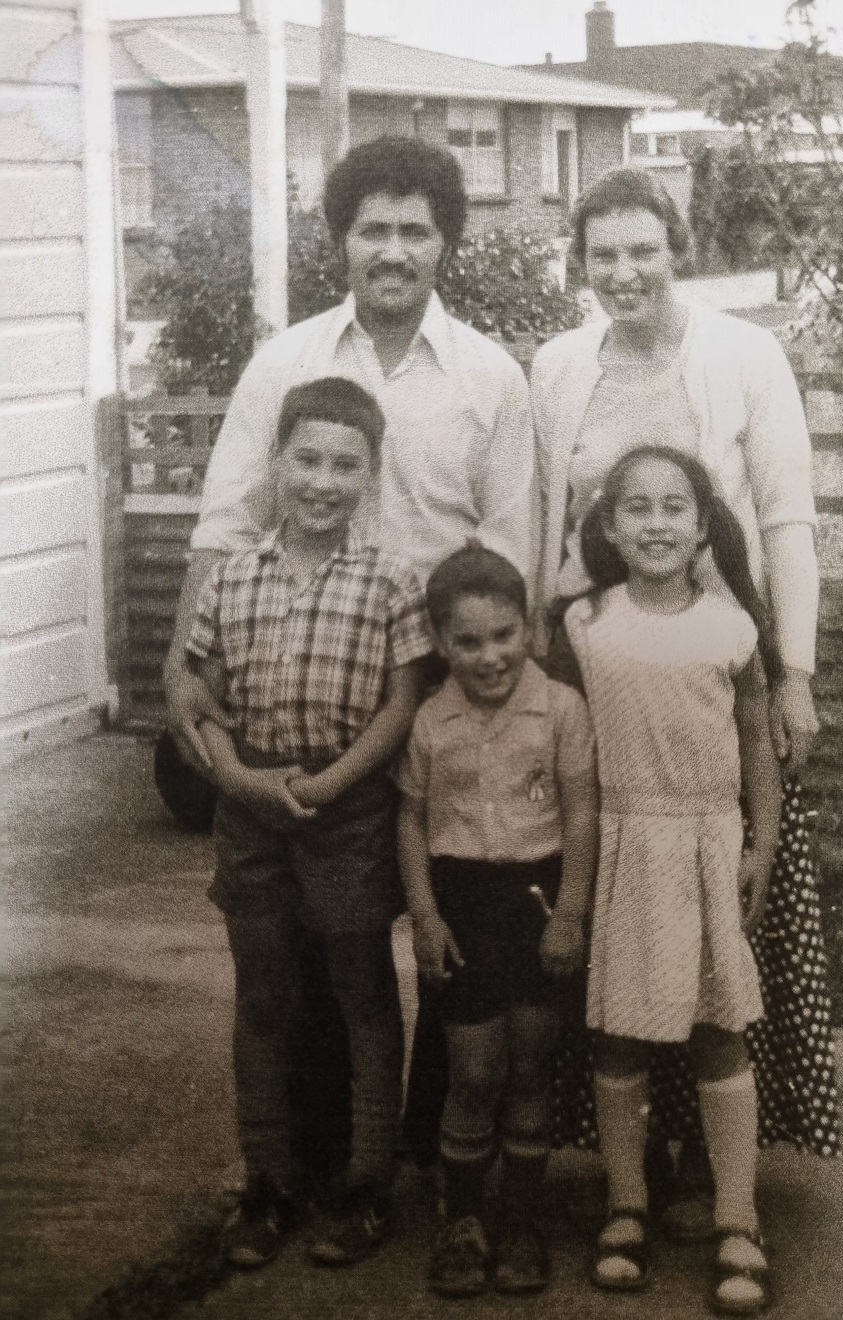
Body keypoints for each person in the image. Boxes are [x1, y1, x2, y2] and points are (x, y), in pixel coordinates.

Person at [162, 137, 536, 1182]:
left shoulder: (488, 377)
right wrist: (182, 668)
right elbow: (228, 516)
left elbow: (511, 542)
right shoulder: (284, 363)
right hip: (310, 687)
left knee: (445, 927)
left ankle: (426, 1165)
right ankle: (306, 1164)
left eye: (416, 230)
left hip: (450, 682)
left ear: (446, 244)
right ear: (342, 239)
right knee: (300, 948)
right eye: (374, 228)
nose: (394, 249)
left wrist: (496, 684)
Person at [532, 170, 839, 1206]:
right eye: (603, 254)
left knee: (722, 899)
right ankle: (636, 1158)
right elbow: (549, 523)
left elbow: (789, 515)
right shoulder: (559, 364)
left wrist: (792, 670)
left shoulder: (745, 355)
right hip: (601, 661)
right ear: (582, 264)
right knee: (620, 888)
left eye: (643, 250)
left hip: (721, 660)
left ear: (679, 249)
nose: (623, 272)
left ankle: (717, 1145)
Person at [184, 377, 434, 1267]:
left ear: (371, 474)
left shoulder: (392, 582)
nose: (323, 482)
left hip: (349, 816)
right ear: (278, 463)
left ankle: (367, 1183)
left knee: (363, 995)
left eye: (346, 464)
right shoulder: (233, 578)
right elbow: (201, 696)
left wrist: (329, 786)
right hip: (251, 816)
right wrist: (237, 778)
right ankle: (268, 1183)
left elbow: (402, 705)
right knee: (263, 998)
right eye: (307, 460)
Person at [566, 446, 781, 1311]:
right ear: (609, 526)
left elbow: (757, 739)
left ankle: (738, 1216)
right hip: (624, 844)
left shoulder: (732, 628)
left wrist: (759, 845)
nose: (657, 525)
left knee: (716, 1029)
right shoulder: (584, 624)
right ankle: (627, 1205)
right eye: (638, 509)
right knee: (620, 1034)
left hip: (706, 843)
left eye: (674, 508)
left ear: (701, 524)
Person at [396, 545, 598, 1298]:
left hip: (539, 902)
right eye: (468, 642)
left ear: (528, 632)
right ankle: (464, 1217)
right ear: (441, 644)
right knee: (474, 1069)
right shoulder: (429, 721)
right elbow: (411, 822)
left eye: (504, 635)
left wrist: (571, 911)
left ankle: (522, 1217)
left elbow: (582, 814)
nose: (490, 656)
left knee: (529, 1065)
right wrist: (423, 913)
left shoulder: (561, 710)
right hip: (460, 906)